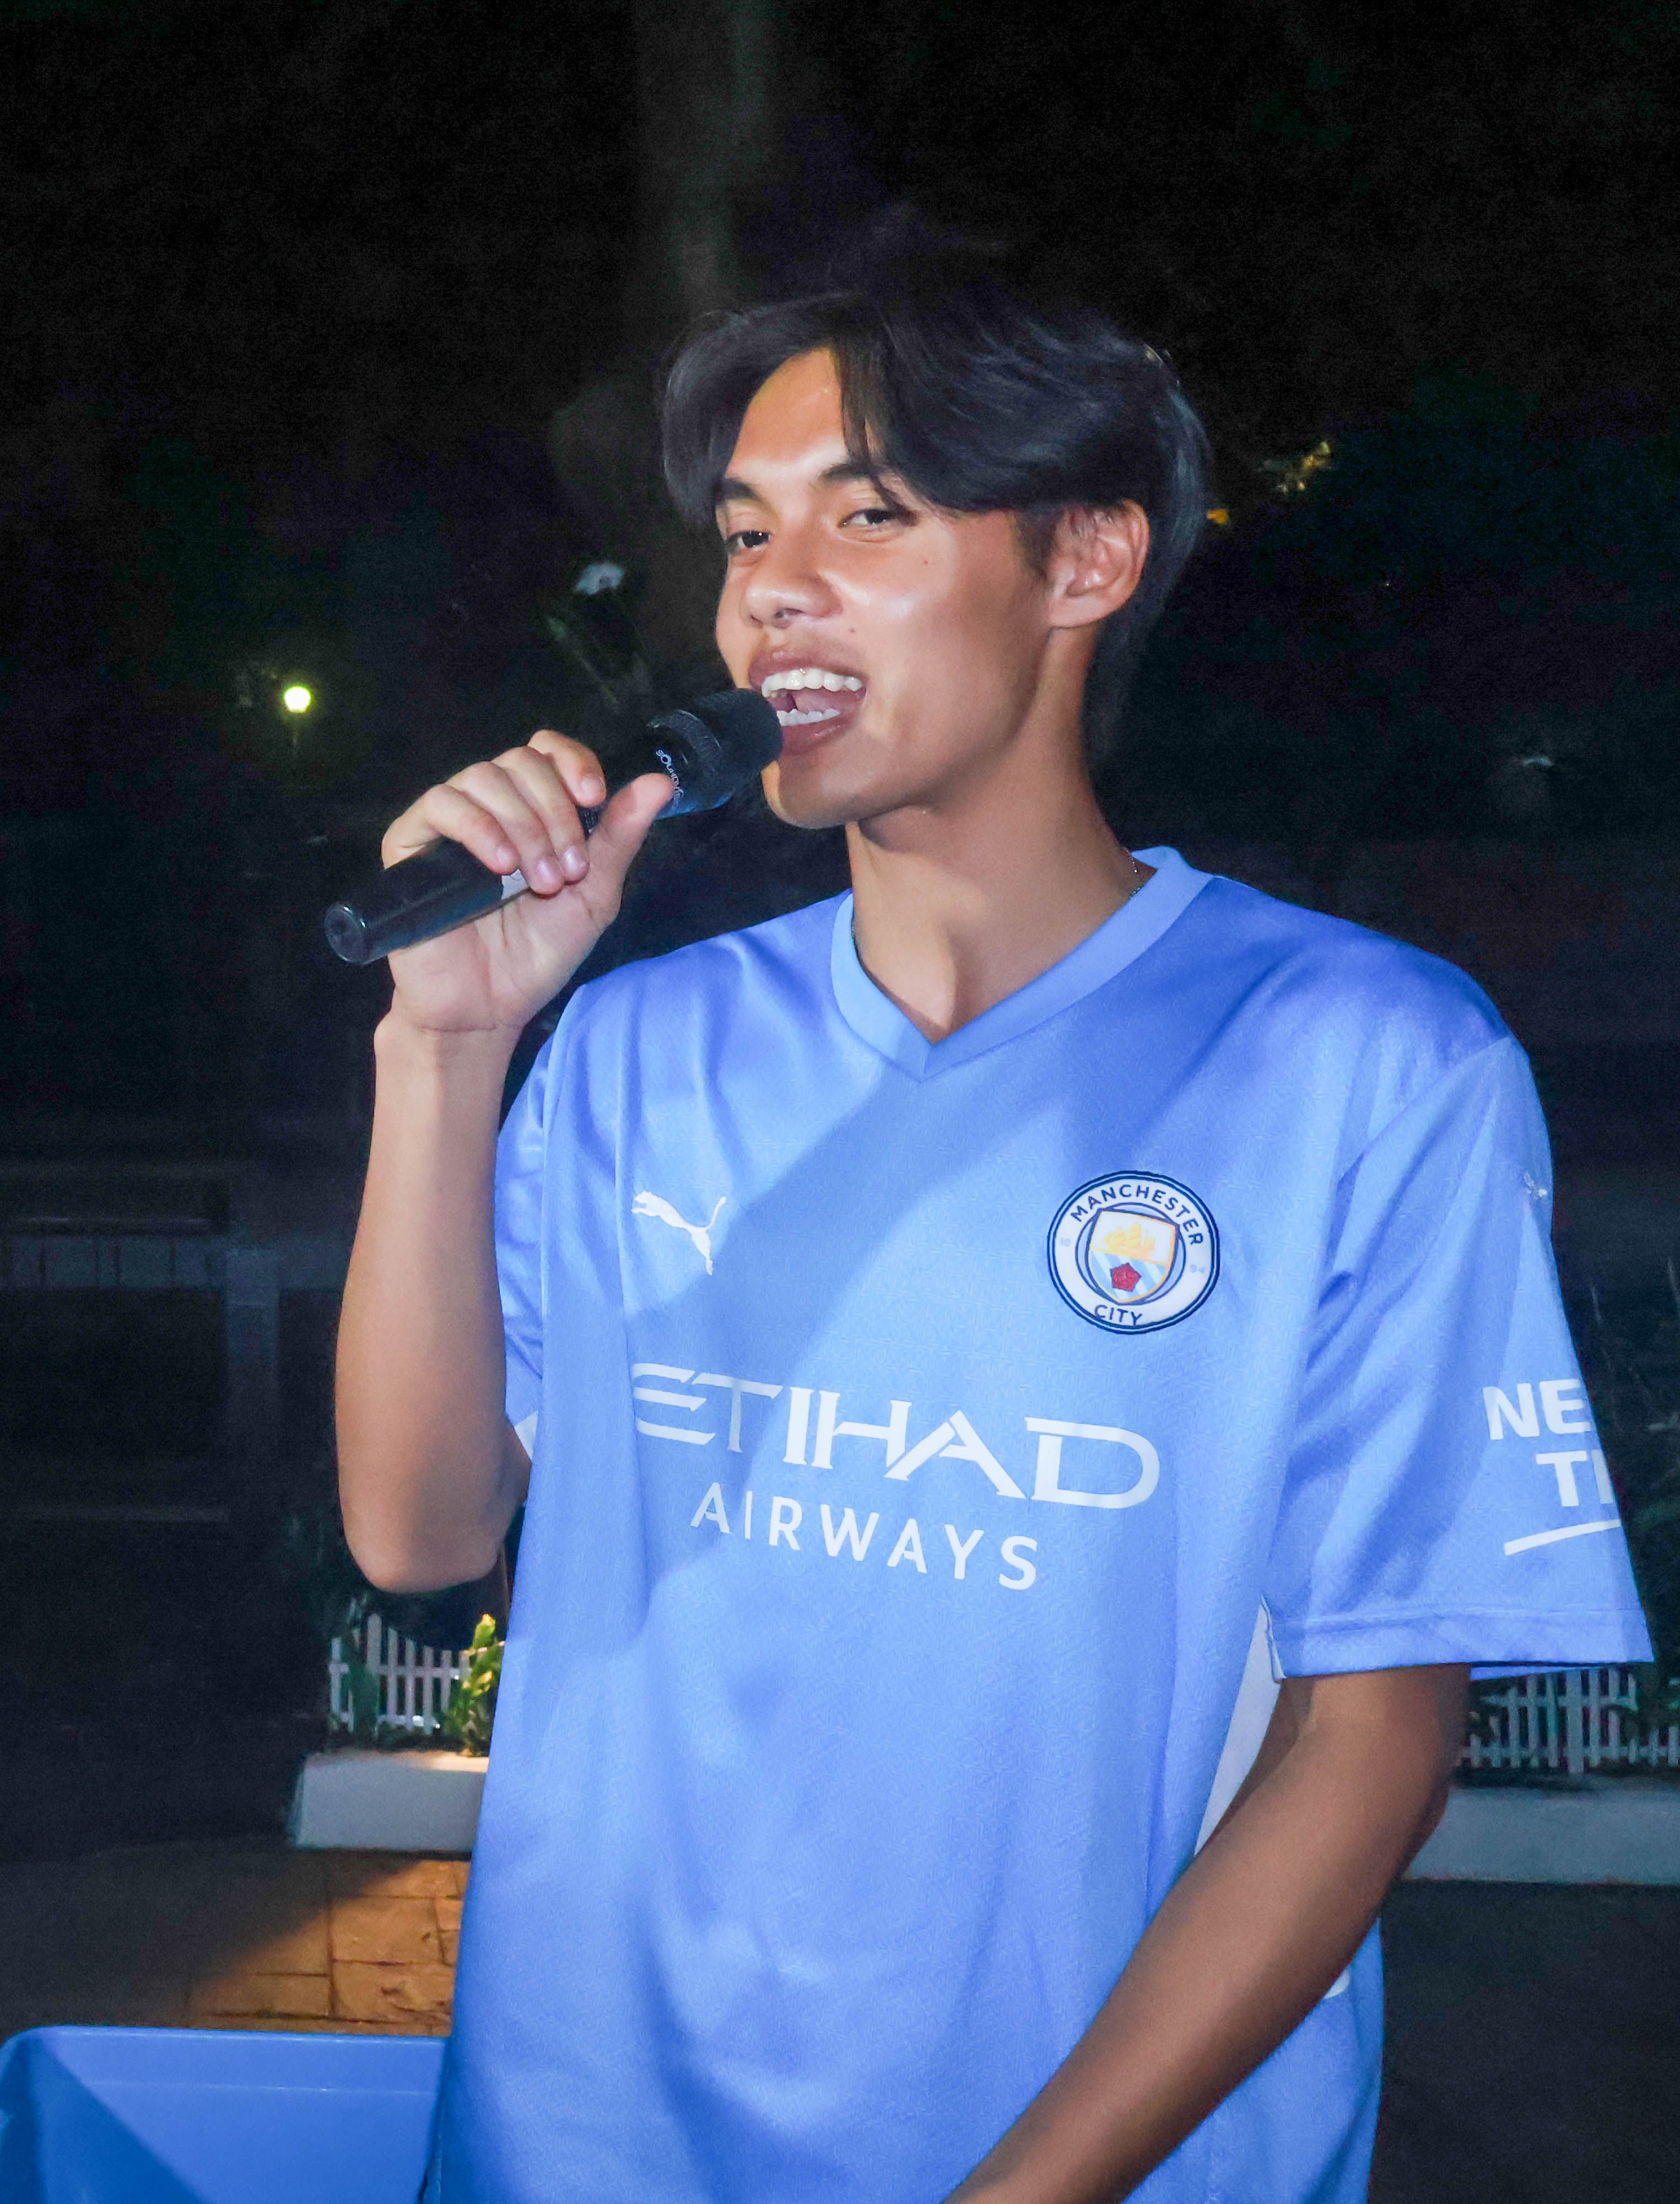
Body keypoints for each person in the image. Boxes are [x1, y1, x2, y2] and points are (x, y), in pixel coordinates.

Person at [334, 243, 1651, 2203]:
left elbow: (1369, 1739)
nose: (774, 589)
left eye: (869, 515)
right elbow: (420, 1533)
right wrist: (444, 1051)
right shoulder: (633, 1044)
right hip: (577, 2142)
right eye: (746, 532)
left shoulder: (1364, 1059)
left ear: (1087, 560)